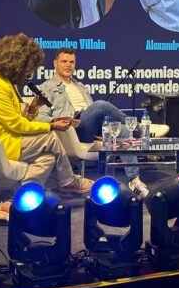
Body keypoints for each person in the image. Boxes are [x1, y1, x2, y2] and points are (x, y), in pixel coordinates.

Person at [0, 33, 93, 221]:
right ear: (14, 65)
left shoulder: (7, 85)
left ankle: (15, 203)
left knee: (47, 158)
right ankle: (68, 180)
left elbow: (16, 120)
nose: (29, 74)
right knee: (50, 137)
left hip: (7, 140)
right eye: (27, 68)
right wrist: (50, 125)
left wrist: (33, 109)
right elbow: (16, 125)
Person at [36, 48, 149, 197]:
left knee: (124, 130)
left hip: (91, 128)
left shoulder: (80, 86)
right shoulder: (46, 88)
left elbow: (91, 112)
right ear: (55, 63)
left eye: (71, 62)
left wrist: (99, 129)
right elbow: (40, 117)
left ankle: (134, 180)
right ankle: (140, 127)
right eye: (64, 61)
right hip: (72, 131)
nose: (68, 65)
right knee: (100, 105)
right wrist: (60, 120)